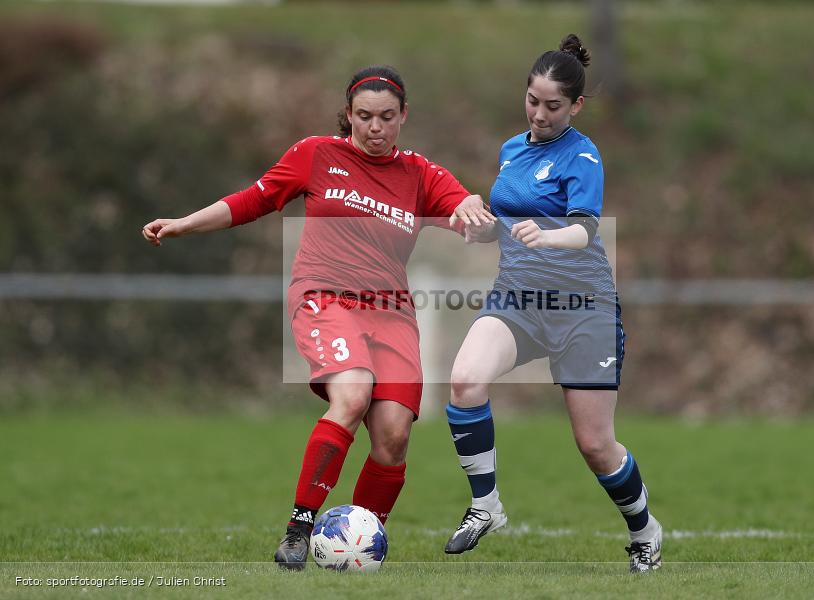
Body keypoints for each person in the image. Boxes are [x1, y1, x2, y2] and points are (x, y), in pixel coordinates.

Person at [141, 65, 494, 570]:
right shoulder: (316, 154)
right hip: (324, 297)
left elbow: (462, 205)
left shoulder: (420, 174)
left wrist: (473, 207)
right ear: (348, 114)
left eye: (387, 117)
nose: (375, 127)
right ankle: (298, 528)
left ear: (404, 116)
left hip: (391, 310)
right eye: (365, 116)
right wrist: (184, 224)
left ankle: (358, 546)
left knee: (393, 437)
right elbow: (253, 200)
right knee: (351, 395)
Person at [444, 35, 663, 573]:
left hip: (583, 309)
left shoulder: (584, 155)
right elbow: (506, 224)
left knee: (594, 444)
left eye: (553, 106)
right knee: (465, 381)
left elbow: (586, 230)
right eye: (532, 101)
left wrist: (550, 235)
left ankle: (645, 531)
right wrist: (480, 231)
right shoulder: (512, 149)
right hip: (518, 300)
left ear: (576, 106)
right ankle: (486, 505)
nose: (539, 114)